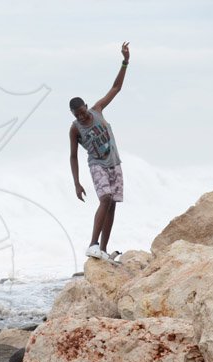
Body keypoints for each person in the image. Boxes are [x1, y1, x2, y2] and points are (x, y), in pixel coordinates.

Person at [69, 42, 130, 261]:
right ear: (73, 115)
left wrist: (125, 62)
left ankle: (102, 250)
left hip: (114, 162)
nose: (82, 117)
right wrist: (76, 183)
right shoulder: (75, 129)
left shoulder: (97, 110)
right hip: (97, 164)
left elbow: (116, 88)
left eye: (83, 112)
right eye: (77, 115)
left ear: (86, 106)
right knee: (104, 198)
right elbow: (73, 156)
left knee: (113, 204)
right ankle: (92, 244)